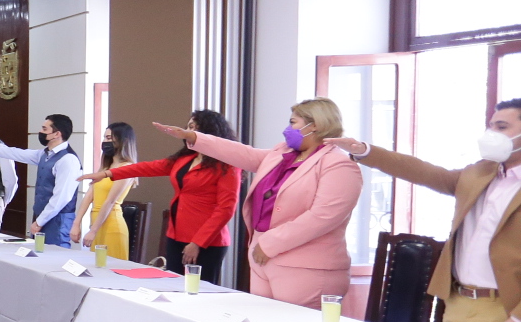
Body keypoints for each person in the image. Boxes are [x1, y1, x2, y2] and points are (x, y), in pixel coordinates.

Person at [329, 98, 521, 322]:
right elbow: (425, 172)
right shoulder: (480, 172)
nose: (492, 133)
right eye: (491, 126)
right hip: (458, 301)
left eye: (502, 127)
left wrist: (517, 318)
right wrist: (366, 151)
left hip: (504, 308)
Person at [151, 99, 360, 309]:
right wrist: (194, 137)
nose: (287, 129)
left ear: (314, 125)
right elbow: (243, 153)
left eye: (293, 122)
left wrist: (270, 244)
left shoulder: (338, 164)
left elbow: (323, 217)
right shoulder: (282, 153)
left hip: (306, 267)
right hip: (263, 260)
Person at [107, 109, 243, 284]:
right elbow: (148, 168)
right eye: (188, 126)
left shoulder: (227, 164)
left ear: (209, 131)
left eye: (193, 127)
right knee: (173, 286)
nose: (187, 131)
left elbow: (225, 209)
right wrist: (108, 173)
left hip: (207, 241)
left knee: (198, 290)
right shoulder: (186, 158)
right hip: (176, 235)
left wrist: (197, 243)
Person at [0, 113, 80, 247]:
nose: (40, 132)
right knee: (40, 252)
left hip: (58, 219)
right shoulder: (44, 154)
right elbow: (17, 153)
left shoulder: (68, 159)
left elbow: (61, 197)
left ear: (57, 134)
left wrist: (40, 221)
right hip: (42, 215)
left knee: (56, 253)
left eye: (44, 129)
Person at [71, 122, 139, 257]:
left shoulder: (127, 168)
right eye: (104, 137)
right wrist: (76, 223)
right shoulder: (105, 167)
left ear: (123, 141)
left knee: (111, 266)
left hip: (112, 226)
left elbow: (110, 201)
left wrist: (93, 231)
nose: (104, 141)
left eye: (109, 138)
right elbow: (89, 196)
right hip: (96, 224)